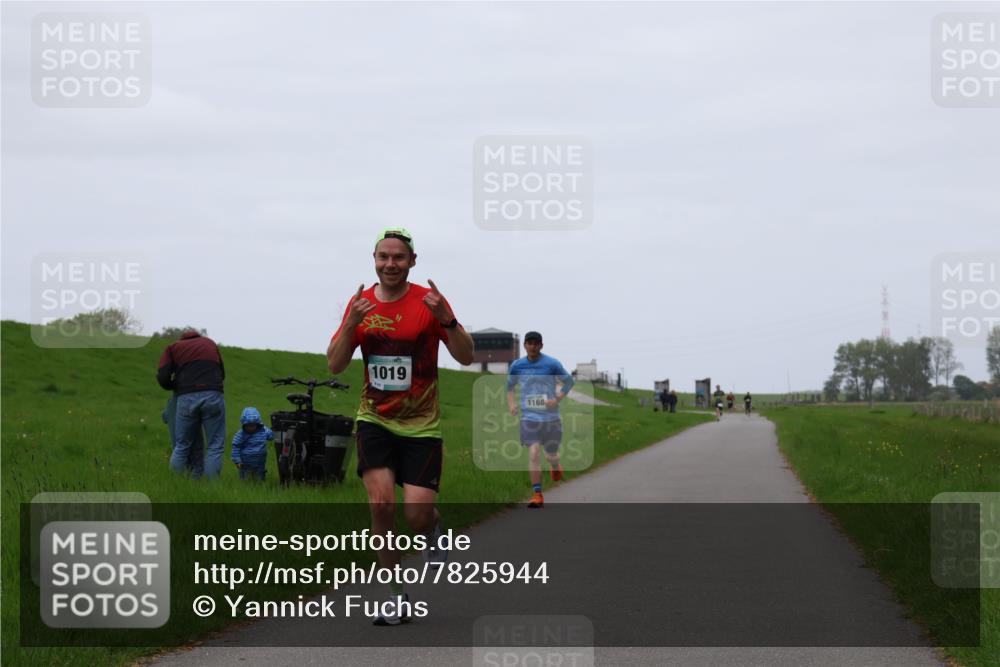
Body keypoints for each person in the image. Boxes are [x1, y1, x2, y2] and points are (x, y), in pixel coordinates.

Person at [326, 227, 474, 626]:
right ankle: (395, 597)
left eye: (398, 257)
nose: (390, 264)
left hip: (422, 426)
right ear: (374, 260)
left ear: (412, 262)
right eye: (383, 257)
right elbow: (335, 364)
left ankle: (434, 528)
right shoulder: (361, 305)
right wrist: (350, 324)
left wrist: (449, 319)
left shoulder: (428, 303)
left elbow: (465, 356)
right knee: (381, 505)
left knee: (418, 514)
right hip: (374, 419)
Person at [507, 332, 575, 509]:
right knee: (534, 452)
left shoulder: (551, 363)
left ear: (541, 345)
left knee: (550, 454)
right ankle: (537, 494)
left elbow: (569, 382)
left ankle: (554, 464)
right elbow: (510, 387)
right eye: (529, 343)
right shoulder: (517, 365)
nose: (533, 346)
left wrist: (557, 399)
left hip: (551, 418)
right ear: (524, 345)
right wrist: (512, 404)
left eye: (536, 343)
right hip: (529, 417)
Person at [157, 330, 226, 479]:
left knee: (182, 446)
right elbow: (222, 373)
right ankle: (212, 489)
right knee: (215, 446)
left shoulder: (173, 347)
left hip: (186, 397)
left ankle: (175, 484)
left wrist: (175, 385)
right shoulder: (210, 343)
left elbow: (162, 377)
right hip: (213, 394)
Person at [162, 394, 205, 478]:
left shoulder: (170, 402)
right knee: (196, 459)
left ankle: (177, 480)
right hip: (192, 437)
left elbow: (164, 417)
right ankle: (196, 482)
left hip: (177, 443)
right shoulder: (190, 399)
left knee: (182, 459)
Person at [231, 407, 273, 481]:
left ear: (257, 424)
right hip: (245, 463)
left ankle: (260, 484)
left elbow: (271, 436)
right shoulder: (241, 434)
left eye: (253, 425)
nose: (251, 428)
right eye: (248, 425)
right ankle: (246, 486)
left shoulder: (263, 431)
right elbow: (236, 447)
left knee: (260, 476)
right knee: (245, 477)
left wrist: (275, 431)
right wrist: (237, 461)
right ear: (244, 424)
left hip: (260, 461)